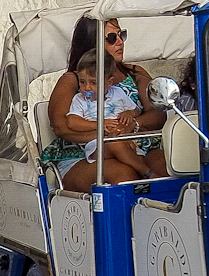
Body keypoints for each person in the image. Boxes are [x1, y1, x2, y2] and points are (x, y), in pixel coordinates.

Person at [45, 12, 166, 186]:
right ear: (92, 43)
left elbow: (158, 114)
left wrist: (133, 125)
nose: (120, 42)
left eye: (121, 35)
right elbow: (62, 127)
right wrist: (108, 136)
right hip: (84, 154)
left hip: (138, 146)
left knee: (169, 166)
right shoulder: (74, 80)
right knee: (125, 175)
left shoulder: (135, 73)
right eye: (111, 37)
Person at [61, 52, 152, 188]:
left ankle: (145, 187)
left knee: (129, 150)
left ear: (109, 82)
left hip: (124, 139)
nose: (86, 88)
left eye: (93, 83)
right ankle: (148, 173)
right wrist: (99, 124)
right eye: (82, 82)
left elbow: (136, 110)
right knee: (114, 144)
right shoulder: (80, 99)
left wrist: (129, 114)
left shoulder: (118, 94)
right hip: (97, 145)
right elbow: (72, 122)